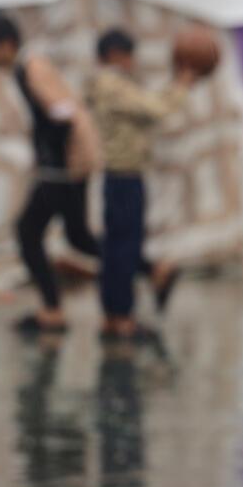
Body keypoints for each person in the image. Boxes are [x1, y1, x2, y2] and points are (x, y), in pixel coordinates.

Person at [0, 13, 103, 335]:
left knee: (30, 232)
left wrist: (55, 165)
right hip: (62, 168)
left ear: (4, 44)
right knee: (78, 237)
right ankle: (148, 267)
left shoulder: (30, 69)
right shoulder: (28, 67)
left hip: (61, 170)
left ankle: (53, 309)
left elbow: (61, 113)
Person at [86, 29, 197, 341]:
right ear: (117, 55)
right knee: (123, 247)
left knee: (118, 247)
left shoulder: (113, 85)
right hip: (123, 176)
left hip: (123, 175)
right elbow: (154, 108)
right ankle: (122, 316)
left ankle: (116, 313)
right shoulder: (111, 83)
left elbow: (148, 108)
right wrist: (182, 86)